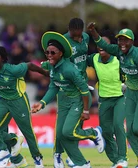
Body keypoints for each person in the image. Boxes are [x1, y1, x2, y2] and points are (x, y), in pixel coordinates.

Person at [30, 31, 105, 168]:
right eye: (47, 52)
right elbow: (54, 87)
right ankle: (81, 164)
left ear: (61, 53)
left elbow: (84, 91)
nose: (49, 56)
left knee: (68, 132)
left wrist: (87, 111)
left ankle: (94, 133)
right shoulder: (53, 67)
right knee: (60, 134)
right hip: (64, 102)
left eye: (53, 53)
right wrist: (42, 103)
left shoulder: (70, 69)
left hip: (77, 101)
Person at [87, 22, 138, 167]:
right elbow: (80, 63)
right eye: (120, 40)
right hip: (104, 99)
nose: (101, 46)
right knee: (106, 132)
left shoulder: (118, 58)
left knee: (119, 125)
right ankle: (116, 161)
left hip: (121, 97)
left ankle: (123, 157)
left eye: (106, 44)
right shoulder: (95, 58)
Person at [52, 18, 92, 168]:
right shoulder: (63, 41)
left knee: (76, 126)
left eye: (78, 34)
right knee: (62, 127)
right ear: (68, 29)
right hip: (66, 88)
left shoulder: (86, 38)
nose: (76, 37)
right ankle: (57, 155)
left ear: (82, 30)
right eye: (73, 34)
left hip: (81, 85)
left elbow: (84, 59)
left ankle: (73, 156)